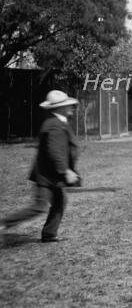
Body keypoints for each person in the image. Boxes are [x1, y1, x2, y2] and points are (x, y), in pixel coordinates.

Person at [1, 90, 81, 243]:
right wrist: (66, 170)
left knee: (59, 202)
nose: (72, 107)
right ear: (60, 108)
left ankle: (49, 234)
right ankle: (4, 223)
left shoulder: (58, 122)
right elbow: (54, 151)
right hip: (46, 176)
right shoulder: (54, 125)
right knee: (39, 206)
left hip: (51, 175)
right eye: (68, 105)